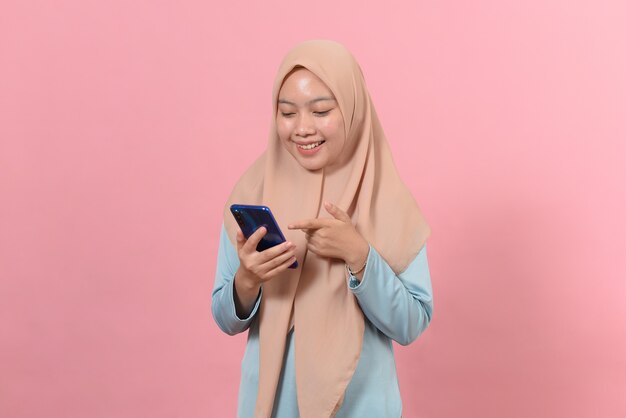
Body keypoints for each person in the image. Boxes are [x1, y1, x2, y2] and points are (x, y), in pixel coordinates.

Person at [212, 40, 433, 418]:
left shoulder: (387, 201)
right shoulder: (253, 189)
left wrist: (360, 256)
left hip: (361, 405)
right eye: (287, 113)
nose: (302, 128)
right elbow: (224, 315)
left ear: (352, 109)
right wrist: (247, 281)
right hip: (270, 406)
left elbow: (411, 324)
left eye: (320, 111)